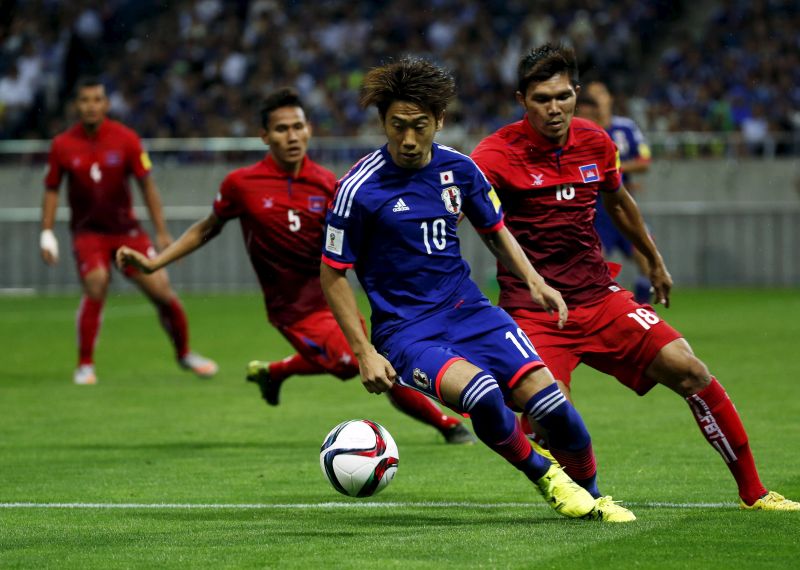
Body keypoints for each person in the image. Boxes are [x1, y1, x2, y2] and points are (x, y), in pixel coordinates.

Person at [471, 44, 799, 511]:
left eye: (563, 96)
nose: (554, 108)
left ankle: (755, 492)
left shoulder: (596, 141)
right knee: (551, 415)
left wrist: (653, 260)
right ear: (522, 99)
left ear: (576, 94)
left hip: (601, 297)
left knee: (691, 370)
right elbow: (473, 218)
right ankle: (586, 492)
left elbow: (619, 202)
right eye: (542, 98)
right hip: (534, 311)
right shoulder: (494, 155)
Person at [320, 57, 634, 522]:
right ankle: (545, 475)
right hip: (408, 332)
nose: (408, 139)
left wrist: (534, 281)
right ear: (382, 123)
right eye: (397, 126)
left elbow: (494, 229)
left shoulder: (461, 170)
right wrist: (363, 350)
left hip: (470, 311)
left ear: (440, 121)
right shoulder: (358, 188)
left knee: (553, 406)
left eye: (420, 126)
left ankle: (593, 495)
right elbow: (332, 273)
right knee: (483, 393)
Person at [117, 87, 475, 445]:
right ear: (265, 136)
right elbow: (206, 228)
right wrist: (153, 264)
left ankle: (277, 372)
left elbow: (364, 237)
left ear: (308, 130)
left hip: (333, 299)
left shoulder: (328, 184)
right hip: (293, 310)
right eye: (282, 129)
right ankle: (447, 426)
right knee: (362, 362)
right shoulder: (241, 184)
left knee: (372, 362)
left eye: (298, 127)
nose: (292, 136)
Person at [40, 76, 217, 385]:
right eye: (85, 100)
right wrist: (47, 232)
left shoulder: (126, 139)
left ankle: (185, 353)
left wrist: (162, 233)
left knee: (161, 291)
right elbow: (52, 189)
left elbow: (147, 186)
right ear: (76, 106)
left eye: (97, 100)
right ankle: (85, 365)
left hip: (127, 232)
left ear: (106, 104)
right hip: (88, 234)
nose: (91, 106)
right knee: (96, 284)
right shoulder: (62, 145)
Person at [576, 82, 653, 303]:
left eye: (601, 93)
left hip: (622, 203)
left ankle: (643, 309)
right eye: (592, 95)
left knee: (644, 257)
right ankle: (598, 310)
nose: (597, 98)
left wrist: (613, 169)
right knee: (595, 263)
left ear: (610, 98)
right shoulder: (582, 131)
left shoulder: (625, 127)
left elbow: (644, 161)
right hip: (595, 209)